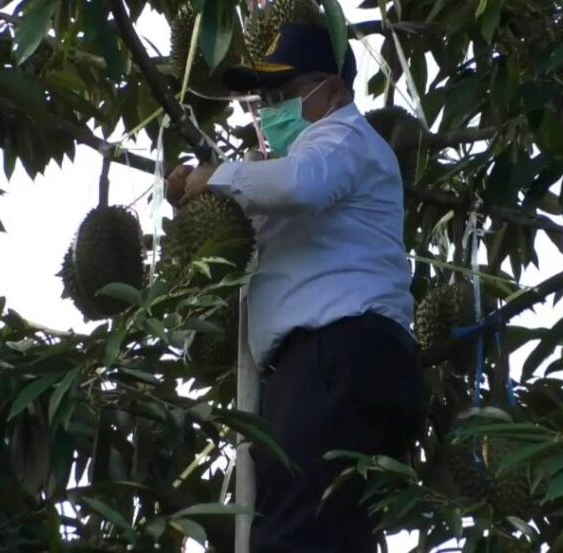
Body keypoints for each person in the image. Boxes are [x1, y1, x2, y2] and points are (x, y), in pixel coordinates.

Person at [165, 22, 426, 553]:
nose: (272, 108)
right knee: (328, 533)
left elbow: (301, 184)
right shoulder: (295, 171)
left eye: (284, 93)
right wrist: (200, 194)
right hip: (340, 364)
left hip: (336, 356)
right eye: (265, 98)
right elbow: (262, 214)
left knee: (292, 537)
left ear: (335, 90)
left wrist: (218, 176)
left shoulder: (344, 137)